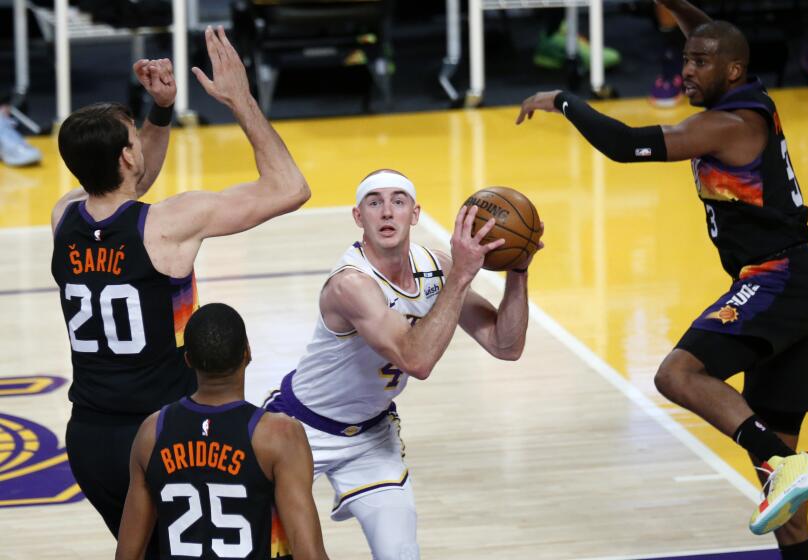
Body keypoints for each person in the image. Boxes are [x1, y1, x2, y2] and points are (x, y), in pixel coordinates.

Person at [516, 1, 808, 558]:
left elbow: (623, 145)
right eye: (685, 60)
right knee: (780, 492)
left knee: (677, 374)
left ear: (730, 70)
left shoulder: (724, 125)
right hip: (804, 284)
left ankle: (787, 464)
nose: (687, 70)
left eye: (699, 63)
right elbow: (712, 35)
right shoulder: (745, 89)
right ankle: (790, 499)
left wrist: (563, 99)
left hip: (777, 280)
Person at [50, 27, 310, 548]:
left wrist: (158, 113)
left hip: (89, 437)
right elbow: (289, 188)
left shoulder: (65, 217)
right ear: (126, 157)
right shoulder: (170, 223)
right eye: (132, 140)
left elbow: (125, 189)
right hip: (163, 436)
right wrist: (241, 100)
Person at [263, 169, 542, 559]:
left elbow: (506, 345)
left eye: (398, 201)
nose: (387, 213)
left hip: (371, 438)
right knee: (269, 550)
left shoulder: (437, 267)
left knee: (401, 554)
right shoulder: (351, 285)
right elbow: (417, 360)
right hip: (299, 428)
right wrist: (462, 275)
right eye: (374, 203)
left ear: (415, 214)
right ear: (359, 217)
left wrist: (519, 269)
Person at [115, 303, 328, 560]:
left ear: (188, 360)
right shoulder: (278, 436)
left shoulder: (152, 433)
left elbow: (127, 555)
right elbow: (309, 553)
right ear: (247, 353)